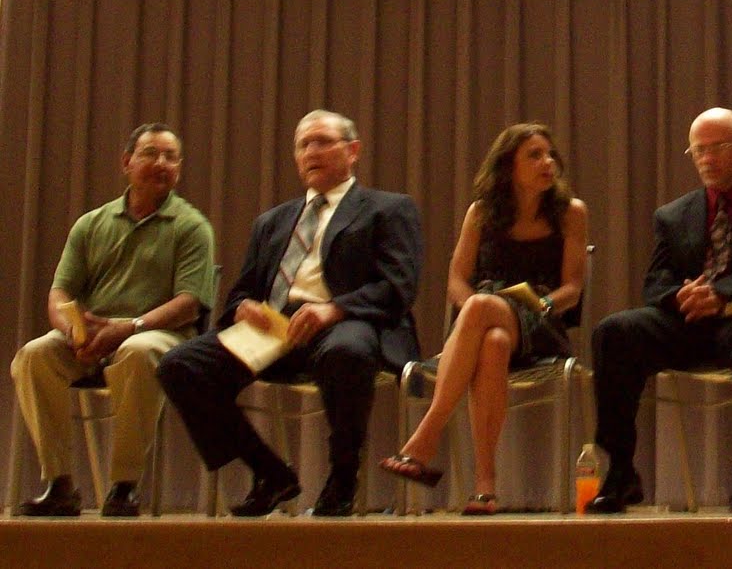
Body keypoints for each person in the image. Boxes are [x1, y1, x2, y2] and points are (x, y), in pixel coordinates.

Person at [157, 109, 423, 517]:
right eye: (303, 145)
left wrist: (333, 309)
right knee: (181, 365)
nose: (311, 151)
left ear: (353, 151)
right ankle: (270, 473)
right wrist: (243, 307)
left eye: (322, 142)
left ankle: (342, 478)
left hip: (348, 322)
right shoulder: (273, 221)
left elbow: (398, 286)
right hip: (275, 328)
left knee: (346, 353)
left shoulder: (387, 208)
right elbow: (243, 290)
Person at [586, 107, 732, 514]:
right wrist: (681, 295)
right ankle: (621, 469)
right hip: (689, 324)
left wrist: (721, 292)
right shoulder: (673, 216)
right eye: (698, 151)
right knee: (615, 331)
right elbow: (655, 282)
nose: (707, 159)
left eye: (718, 149)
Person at [379, 122, 589, 515]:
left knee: (480, 309)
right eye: (534, 155)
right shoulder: (482, 212)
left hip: (542, 320)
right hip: (490, 324)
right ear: (509, 166)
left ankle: (425, 436)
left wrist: (537, 306)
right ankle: (484, 487)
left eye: (550, 155)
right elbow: (457, 280)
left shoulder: (570, 213)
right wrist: (472, 315)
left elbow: (572, 289)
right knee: (491, 341)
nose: (547, 163)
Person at [10, 123, 216, 518]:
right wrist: (71, 330)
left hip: (159, 336)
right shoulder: (92, 224)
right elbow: (60, 292)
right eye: (151, 154)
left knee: (137, 353)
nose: (162, 163)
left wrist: (131, 326)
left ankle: (124, 485)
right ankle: (59, 484)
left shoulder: (192, 227)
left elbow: (190, 303)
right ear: (126, 162)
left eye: (171, 157)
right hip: (92, 335)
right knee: (34, 355)